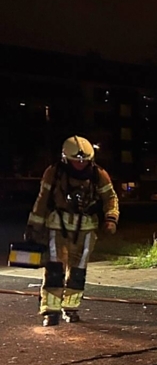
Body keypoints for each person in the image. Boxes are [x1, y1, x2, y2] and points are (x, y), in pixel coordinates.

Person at [26, 136, 119, 326]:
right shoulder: (54, 173)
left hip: (86, 229)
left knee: (78, 271)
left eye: (84, 161)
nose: (80, 164)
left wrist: (111, 218)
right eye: (76, 161)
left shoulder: (98, 174)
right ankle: (50, 311)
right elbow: (42, 200)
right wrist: (33, 226)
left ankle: (71, 308)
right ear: (66, 158)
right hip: (57, 227)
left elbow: (110, 197)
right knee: (54, 269)